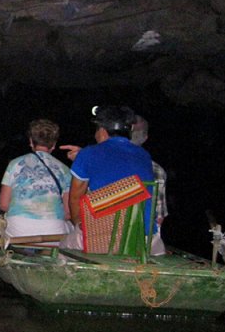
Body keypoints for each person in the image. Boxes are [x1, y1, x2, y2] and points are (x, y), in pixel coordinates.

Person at [60, 105, 155, 250]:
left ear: (102, 131)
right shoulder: (144, 155)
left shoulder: (88, 154)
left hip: (107, 241)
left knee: (63, 248)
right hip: (145, 239)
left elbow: (75, 199)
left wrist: (78, 225)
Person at [0, 119, 72, 240]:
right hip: (53, 233)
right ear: (53, 145)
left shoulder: (15, 164)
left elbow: (3, 205)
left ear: (31, 142)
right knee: (71, 228)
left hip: (17, 231)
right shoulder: (64, 170)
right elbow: (68, 212)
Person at [131, 115, 167, 255]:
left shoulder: (104, 160)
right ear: (145, 138)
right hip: (144, 239)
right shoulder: (157, 169)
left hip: (107, 235)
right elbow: (159, 217)